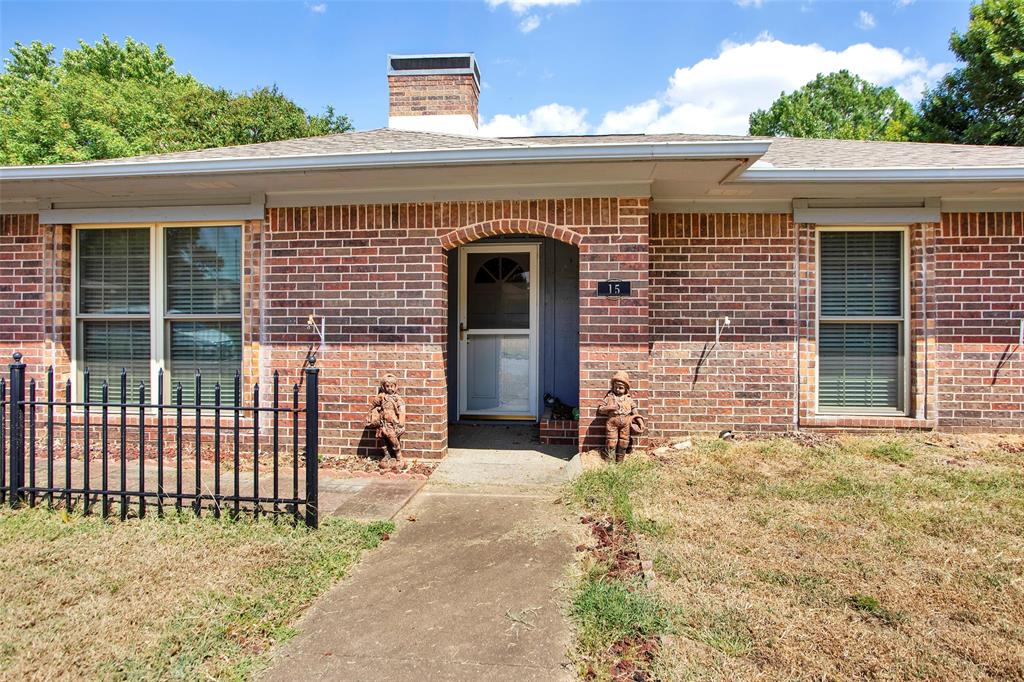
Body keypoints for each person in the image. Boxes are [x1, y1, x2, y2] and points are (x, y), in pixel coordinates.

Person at [597, 370, 643, 463]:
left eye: (620, 388)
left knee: (624, 442)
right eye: (615, 387)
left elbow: (634, 411)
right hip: (612, 422)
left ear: (626, 389)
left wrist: (640, 422)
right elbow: (600, 409)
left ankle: (620, 462)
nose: (617, 390)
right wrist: (610, 407)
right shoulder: (609, 397)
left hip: (626, 423)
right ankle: (609, 461)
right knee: (611, 442)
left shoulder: (628, 399)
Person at [367, 373, 406, 461]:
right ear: (384, 386)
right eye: (387, 386)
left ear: (396, 386)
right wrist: (370, 413)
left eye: (392, 386)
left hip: (392, 422)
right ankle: (386, 454)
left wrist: (401, 423)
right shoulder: (381, 397)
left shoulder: (397, 398)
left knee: (392, 438)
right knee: (382, 438)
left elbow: (402, 410)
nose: (390, 388)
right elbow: (372, 404)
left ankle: (398, 455)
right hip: (382, 421)